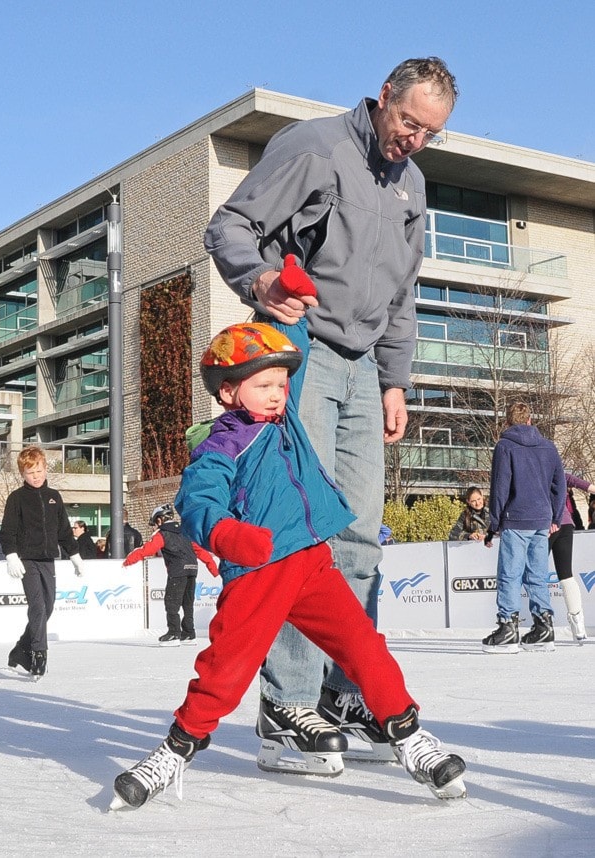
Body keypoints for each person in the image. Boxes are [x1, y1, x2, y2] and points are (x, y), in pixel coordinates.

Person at [204, 57, 459, 765]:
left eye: (430, 132)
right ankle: (286, 703)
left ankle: (347, 693)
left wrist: (396, 380)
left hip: (364, 366)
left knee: (358, 540)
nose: (414, 139)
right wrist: (258, 278)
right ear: (383, 97)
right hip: (301, 350)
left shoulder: (412, 183)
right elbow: (231, 225)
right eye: (409, 122)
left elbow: (404, 294)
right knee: (297, 533)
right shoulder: (314, 146)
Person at [109, 322, 466, 811]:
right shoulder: (222, 443)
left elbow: (292, 347)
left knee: (363, 646)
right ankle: (174, 750)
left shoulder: (289, 421)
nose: (277, 394)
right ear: (229, 390)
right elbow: (197, 499)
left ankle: (409, 737)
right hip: (260, 575)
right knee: (224, 672)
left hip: (313, 563)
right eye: (264, 385)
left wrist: (293, 306)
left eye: (281, 384)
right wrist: (226, 533)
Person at [482, 403, 566, 654]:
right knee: (537, 574)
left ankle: (508, 627)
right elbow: (559, 485)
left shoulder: (505, 446)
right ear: (530, 420)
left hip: (516, 519)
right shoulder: (549, 447)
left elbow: (500, 487)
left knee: (510, 573)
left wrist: (493, 523)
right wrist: (556, 516)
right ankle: (544, 627)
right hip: (542, 519)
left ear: (508, 423)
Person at [0, 446, 84, 678]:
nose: (35, 476)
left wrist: (74, 556)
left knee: (47, 607)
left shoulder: (54, 497)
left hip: (48, 559)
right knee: (37, 607)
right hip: (27, 560)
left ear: (45, 469)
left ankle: (20, 649)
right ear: (22, 474)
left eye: (38, 470)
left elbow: (64, 531)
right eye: (30, 473)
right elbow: (7, 531)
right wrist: (11, 555)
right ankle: (38, 654)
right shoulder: (16, 498)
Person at [123, 503, 219, 646]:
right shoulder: (186, 531)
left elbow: (147, 550)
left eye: (155, 522)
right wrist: (214, 570)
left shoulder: (162, 534)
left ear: (160, 520)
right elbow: (201, 552)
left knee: (171, 602)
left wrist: (128, 561)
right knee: (187, 603)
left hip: (177, 570)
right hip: (192, 570)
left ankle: (174, 633)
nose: (155, 526)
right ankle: (189, 634)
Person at [549, 471, 594, 643]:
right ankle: (578, 623)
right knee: (566, 574)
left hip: (547, 525)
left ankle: (542, 622)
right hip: (566, 523)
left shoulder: (535, 472)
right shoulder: (558, 472)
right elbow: (583, 484)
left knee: (534, 574)